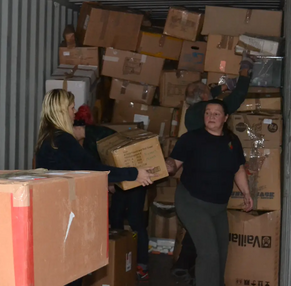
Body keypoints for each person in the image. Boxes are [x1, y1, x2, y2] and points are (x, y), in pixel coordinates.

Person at [35, 89, 155, 286]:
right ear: (61, 111)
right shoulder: (62, 139)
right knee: (72, 269)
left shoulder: (48, 138)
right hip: (64, 216)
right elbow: (93, 168)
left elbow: (79, 170)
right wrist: (134, 173)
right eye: (72, 108)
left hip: (57, 213)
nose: (74, 113)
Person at [172, 53, 254, 283]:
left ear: (224, 118)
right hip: (193, 200)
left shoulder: (230, 140)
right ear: (206, 107)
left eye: (216, 113)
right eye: (210, 112)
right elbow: (174, 163)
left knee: (219, 252)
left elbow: (238, 166)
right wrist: (244, 73)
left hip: (217, 206)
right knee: (209, 253)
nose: (212, 115)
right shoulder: (194, 135)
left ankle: (186, 268)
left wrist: (246, 193)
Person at [73, 105, 150, 281]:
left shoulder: (95, 137)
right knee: (115, 218)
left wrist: (111, 181)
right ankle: (120, 258)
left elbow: (103, 164)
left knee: (134, 219)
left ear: (78, 127)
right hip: (122, 179)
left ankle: (142, 264)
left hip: (134, 177)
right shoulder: (88, 139)